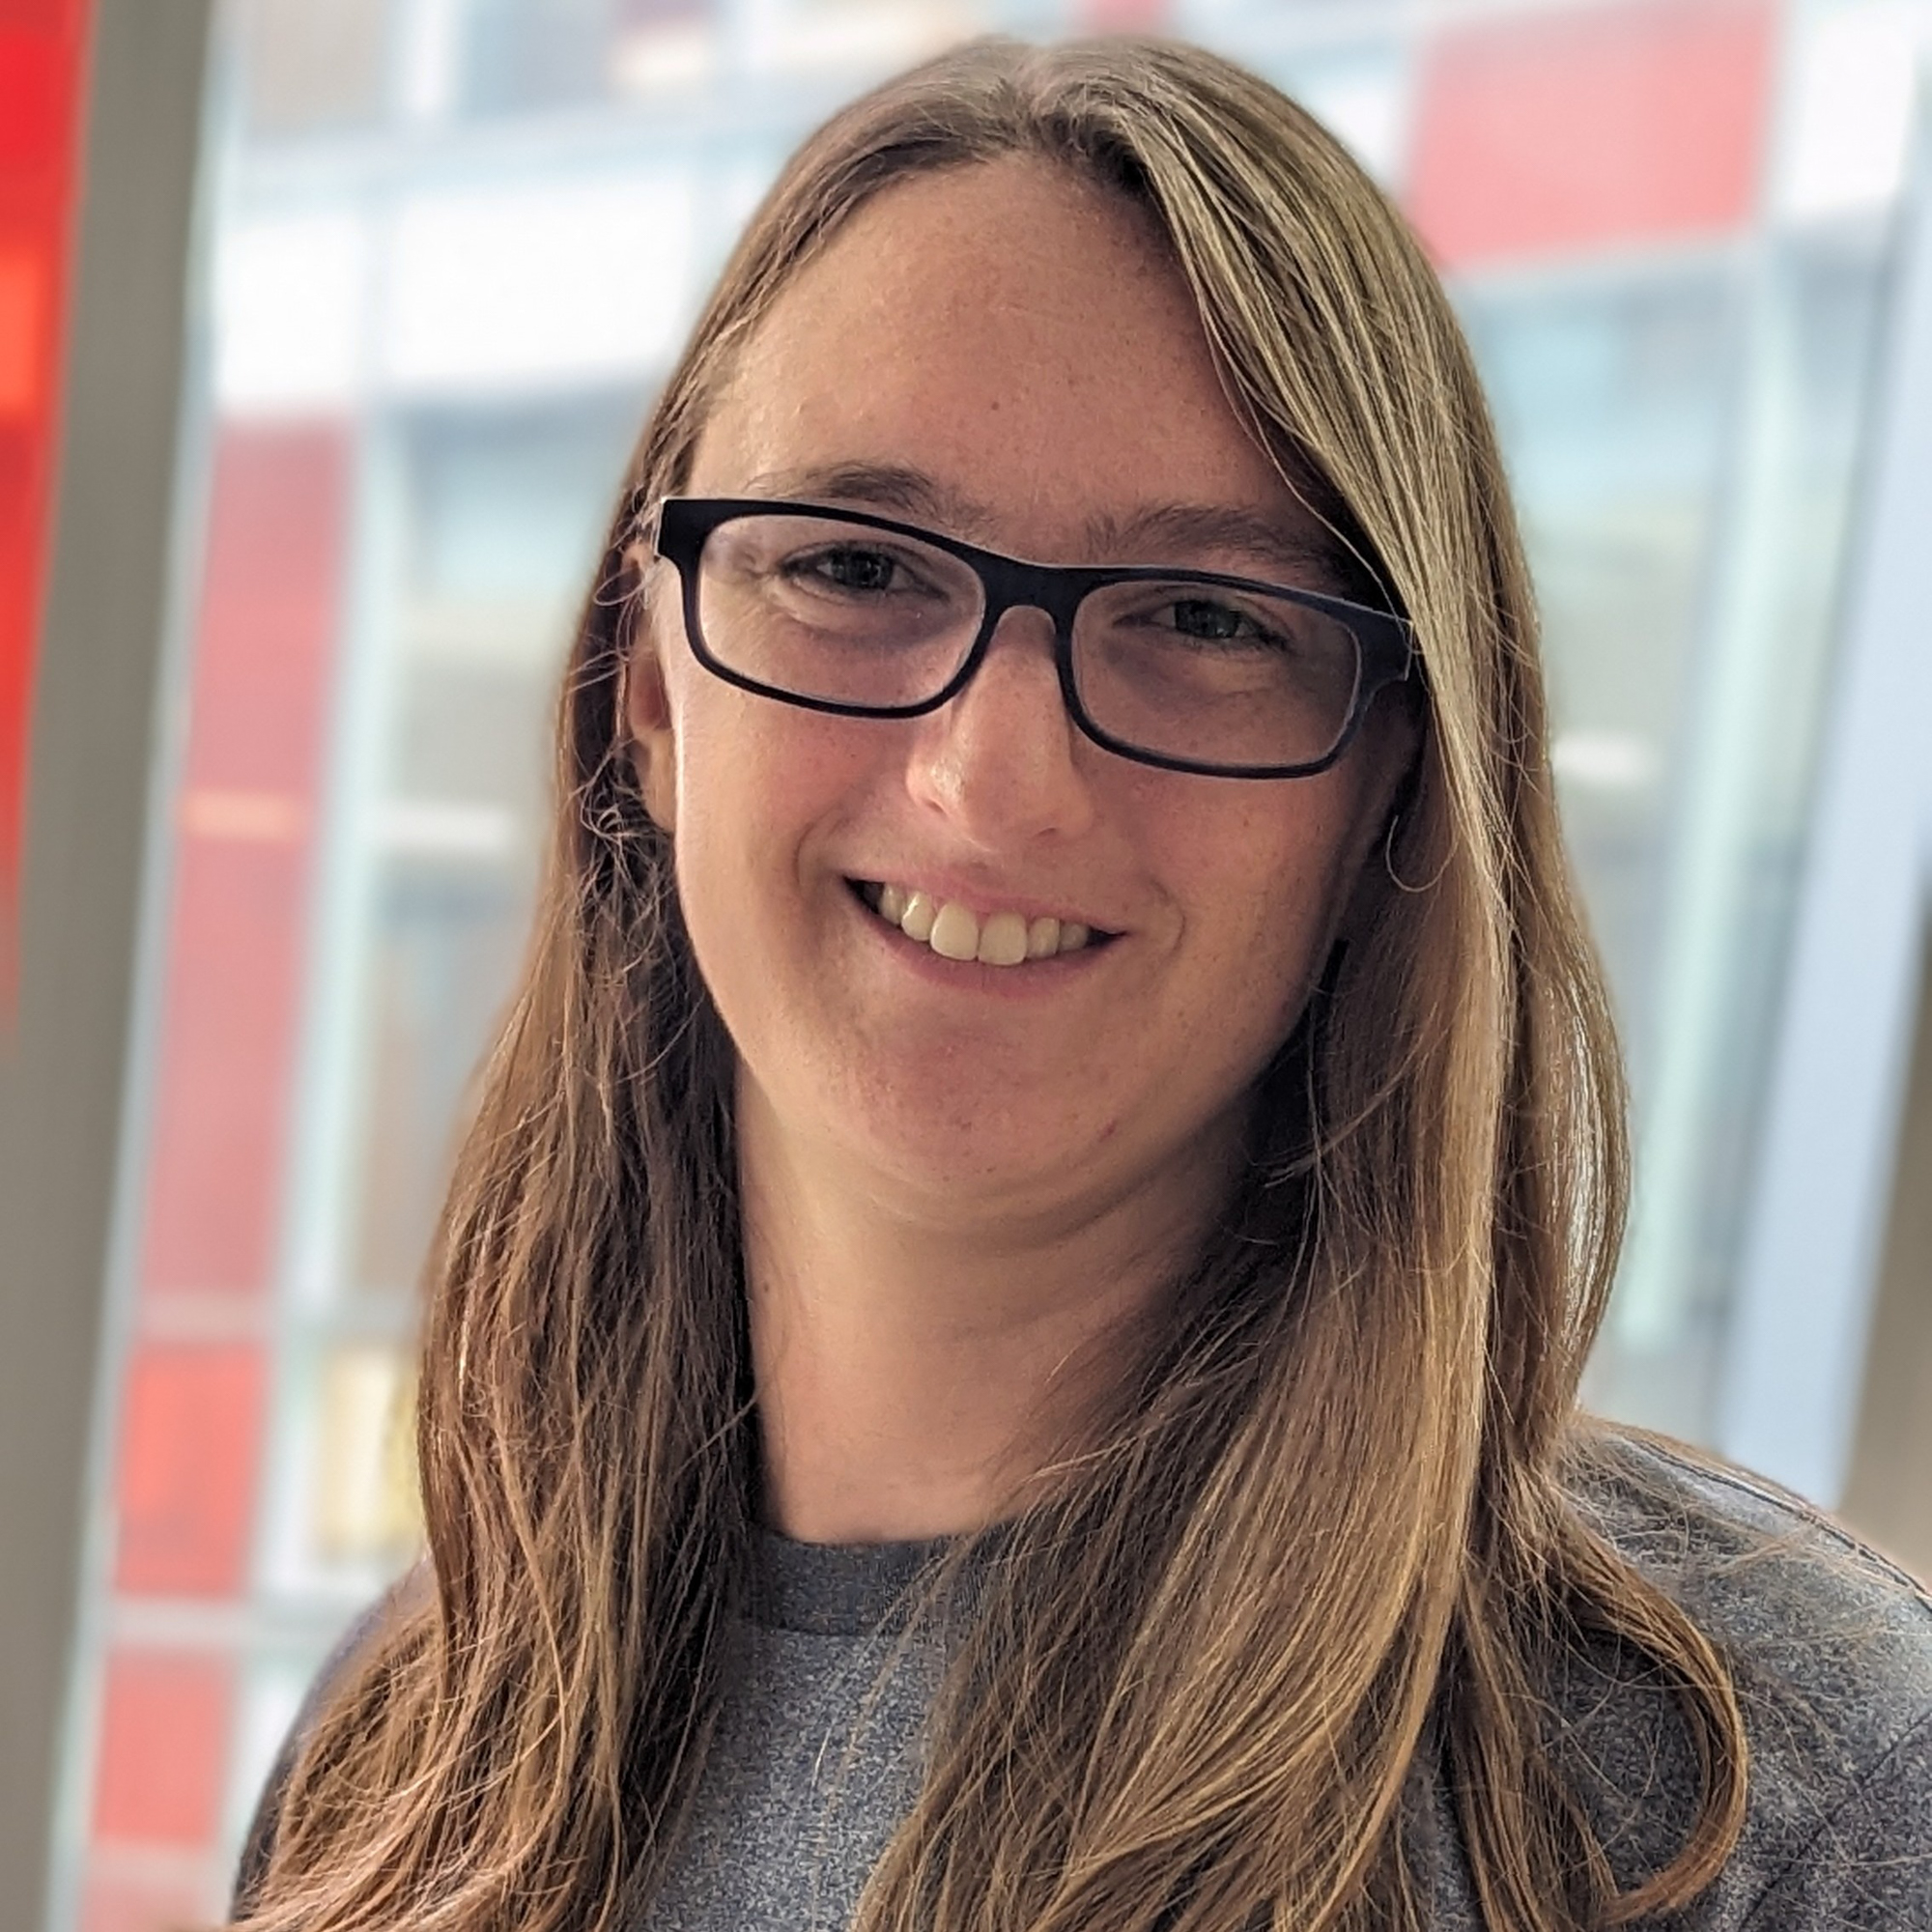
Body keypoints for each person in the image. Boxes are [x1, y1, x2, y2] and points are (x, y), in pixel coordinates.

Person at [229, 34, 1932, 1932]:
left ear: (1392, 778)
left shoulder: (1770, 1800)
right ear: (648, 680)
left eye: (1207, 618)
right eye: (858, 567)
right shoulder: (409, 1742)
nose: (988, 780)